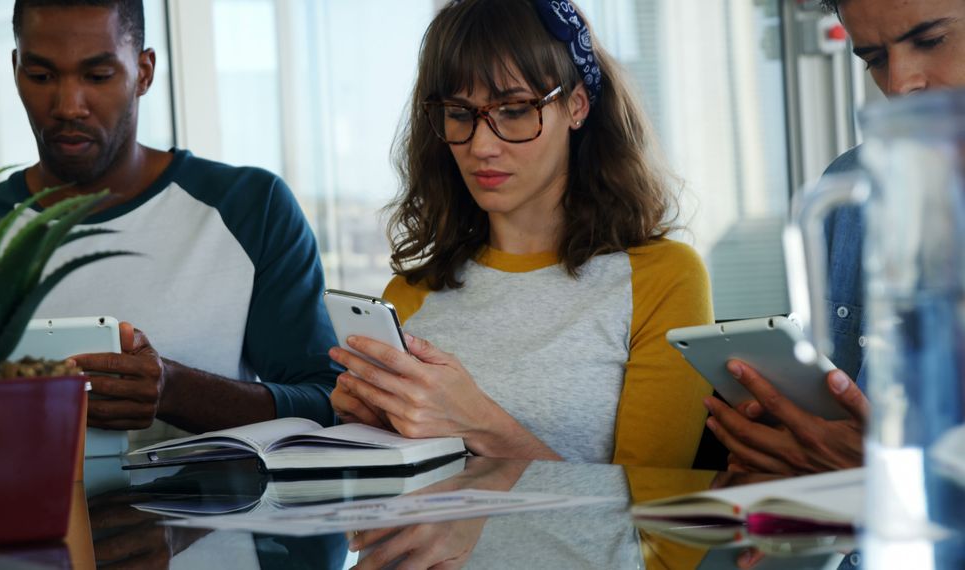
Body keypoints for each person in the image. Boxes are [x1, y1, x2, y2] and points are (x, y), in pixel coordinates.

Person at [329, 0, 713, 466]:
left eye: (513, 110)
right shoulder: (409, 296)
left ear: (576, 107)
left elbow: (650, 521)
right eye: (459, 113)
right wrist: (371, 438)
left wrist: (479, 424)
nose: (481, 146)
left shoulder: (662, 277)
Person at [0, 0, 340, 438]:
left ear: (143, 72)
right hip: (20, 507)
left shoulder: (250, 208)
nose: (68, 106)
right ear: (16, 70)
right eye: (42, 76)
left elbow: (329, 403)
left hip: (214, 505)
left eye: (98, 76)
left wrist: (176, 391)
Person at [703, 0, 965, 476]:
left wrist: (896, 471)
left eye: (930, 41)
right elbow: (825, 428)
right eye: (875, 60)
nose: (899, 84)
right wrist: (778, 452)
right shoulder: (849, 191)